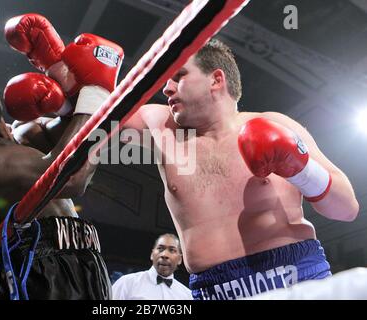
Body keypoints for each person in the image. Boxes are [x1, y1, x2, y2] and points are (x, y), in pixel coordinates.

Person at [122, 38, 359, 300]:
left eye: (179, 76)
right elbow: (99, 126)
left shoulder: (273, 124)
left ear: (216, 80)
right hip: (215, 290)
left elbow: (347, 208)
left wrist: (300, 169)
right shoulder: (160, 126)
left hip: (296, 278)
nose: (167, 88)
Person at [0, 13, 124, 300]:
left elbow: (88, 128)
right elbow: (71, 177)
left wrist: (66, 79)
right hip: (37, 272)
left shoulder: (27, 132)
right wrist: (97, 90)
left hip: (87, 263)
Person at [112, 233, 192, 300]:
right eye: (160, 249)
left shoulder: (187, 296)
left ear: (180, 259)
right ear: (152, 254)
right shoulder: (127, 283)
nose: (164, 255)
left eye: (172, 250)